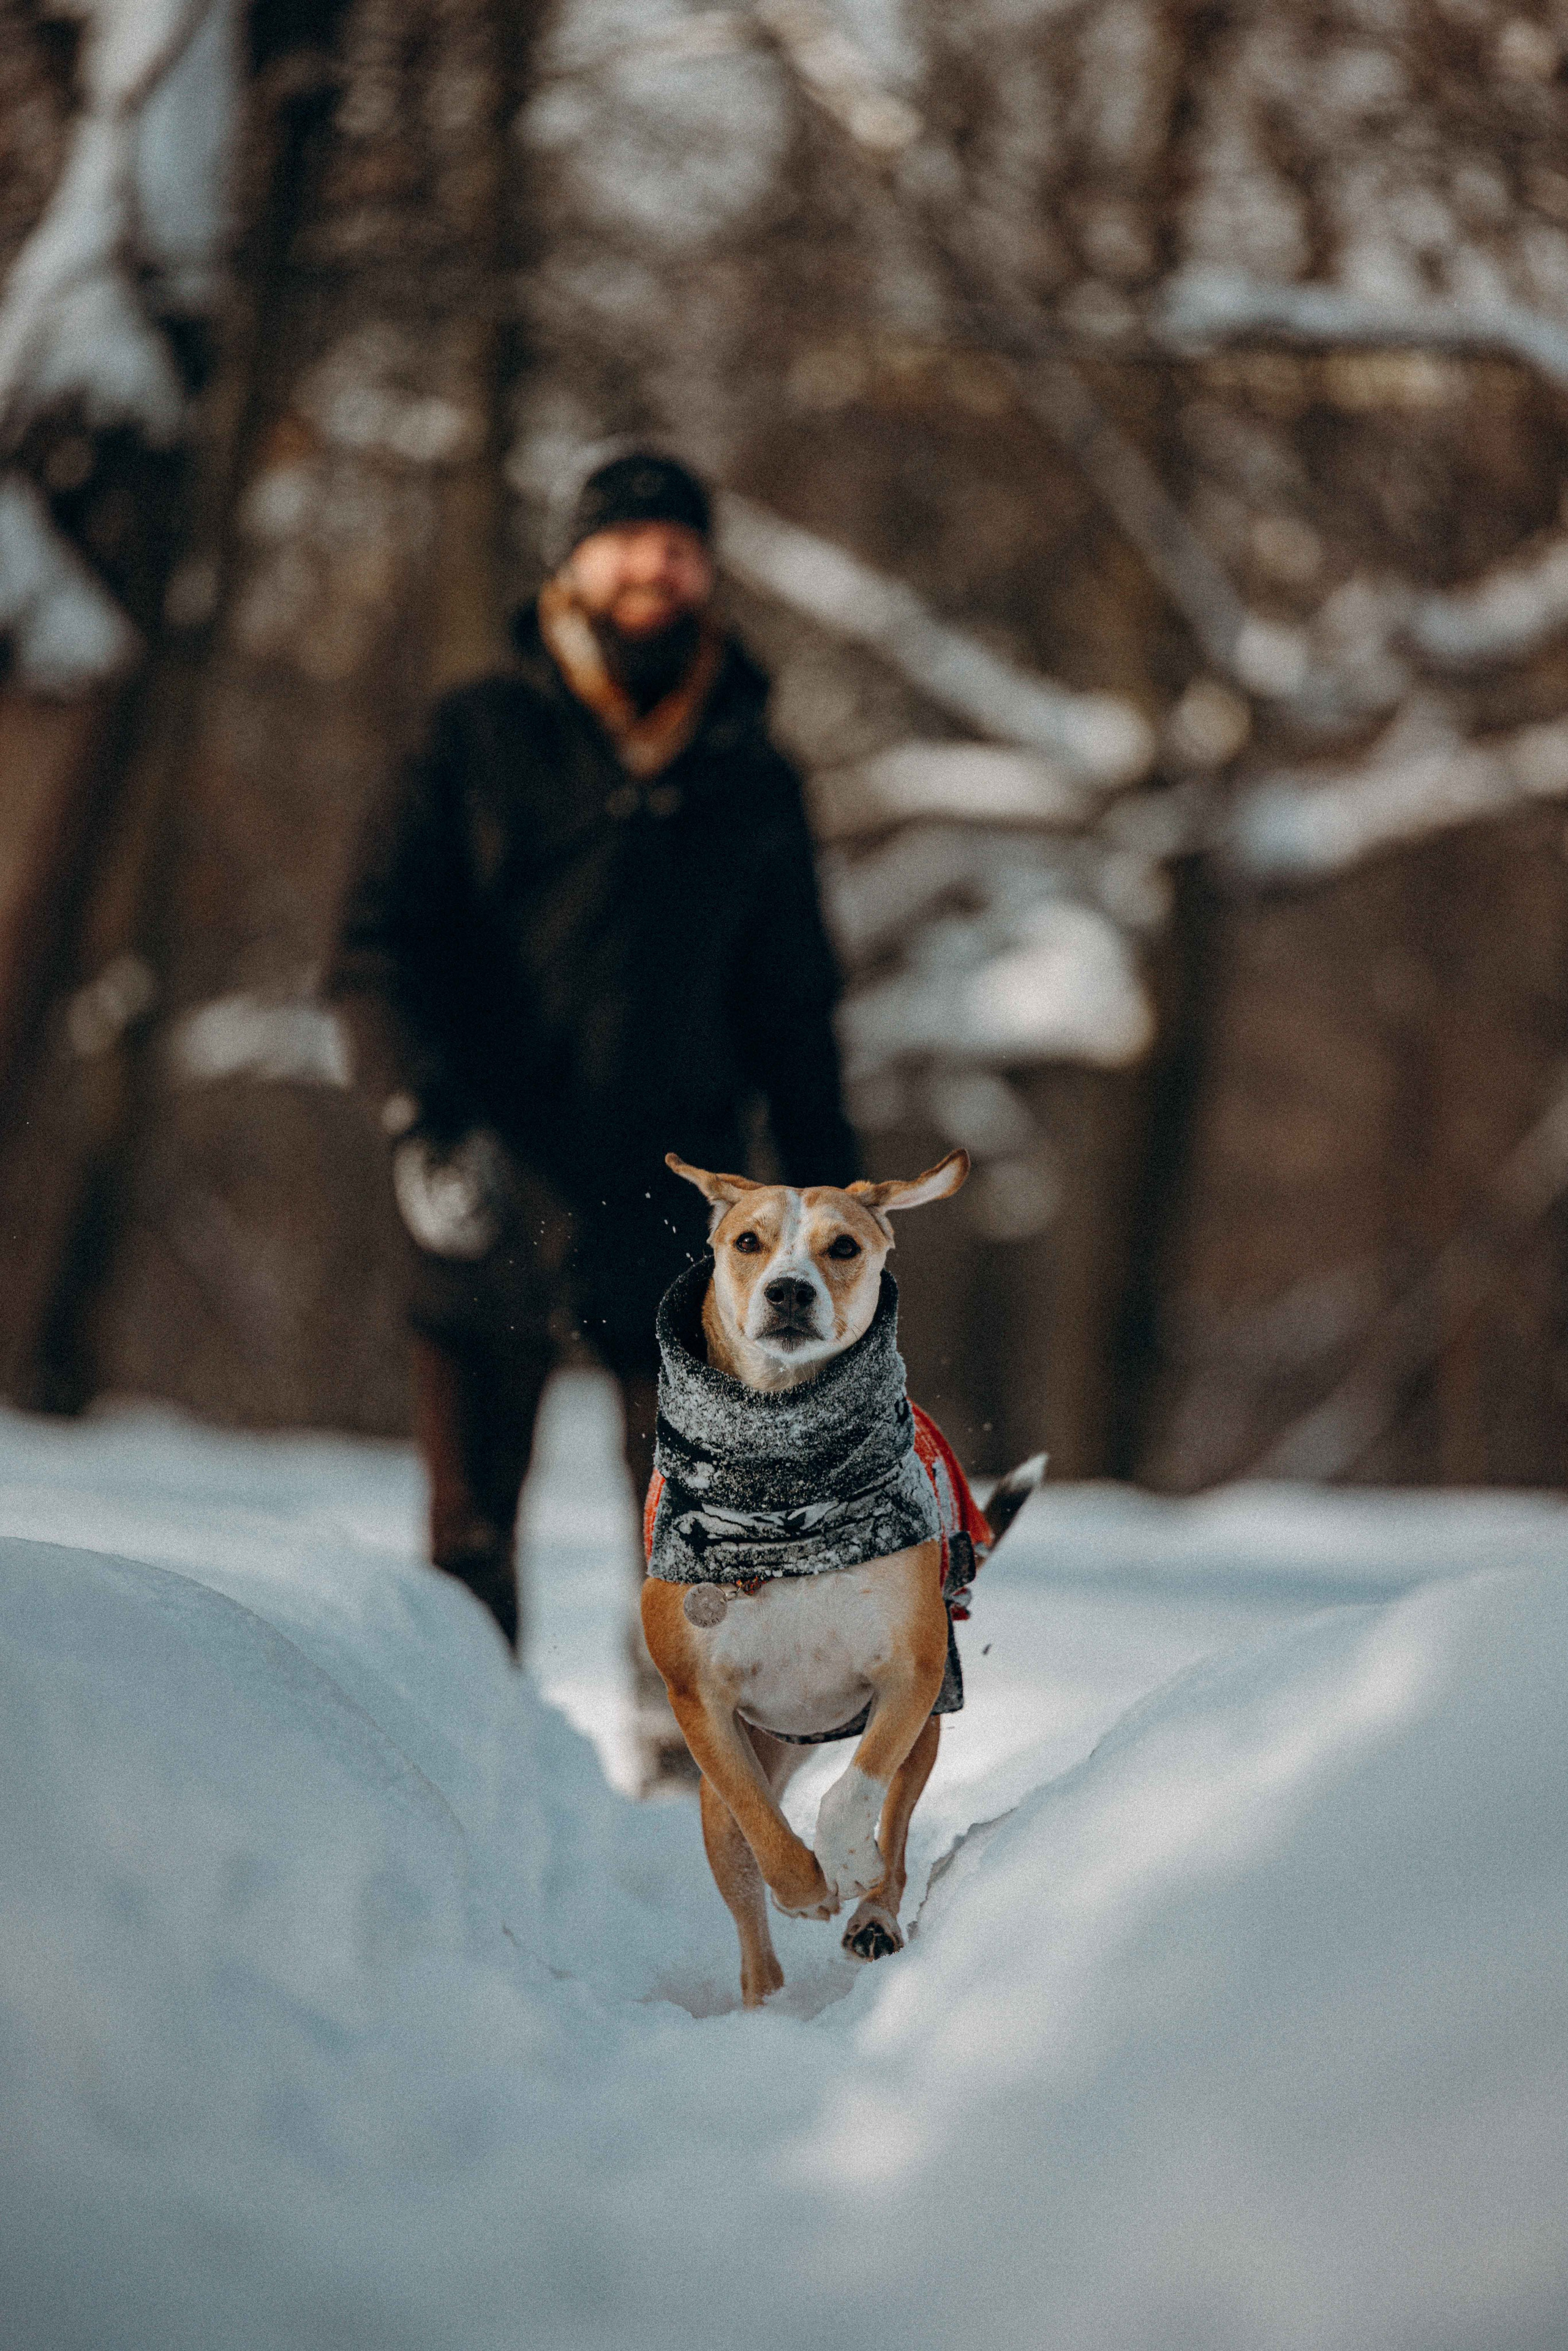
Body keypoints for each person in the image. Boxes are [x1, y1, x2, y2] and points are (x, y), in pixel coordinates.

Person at [328, 451, 859, 1777]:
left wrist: (833, 1211)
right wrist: (419, 1118)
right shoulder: (474, 735)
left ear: (706, 573)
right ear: (571, 563)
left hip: (685, 1212)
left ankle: (696, 1806)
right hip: (485, 1185)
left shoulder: (752, 771)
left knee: (703, 1540)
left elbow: (796, 1011)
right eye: (625, 545)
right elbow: (373, 947)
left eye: (676, 549)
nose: (650, 571)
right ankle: (457, 1783)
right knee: (466, 1543)